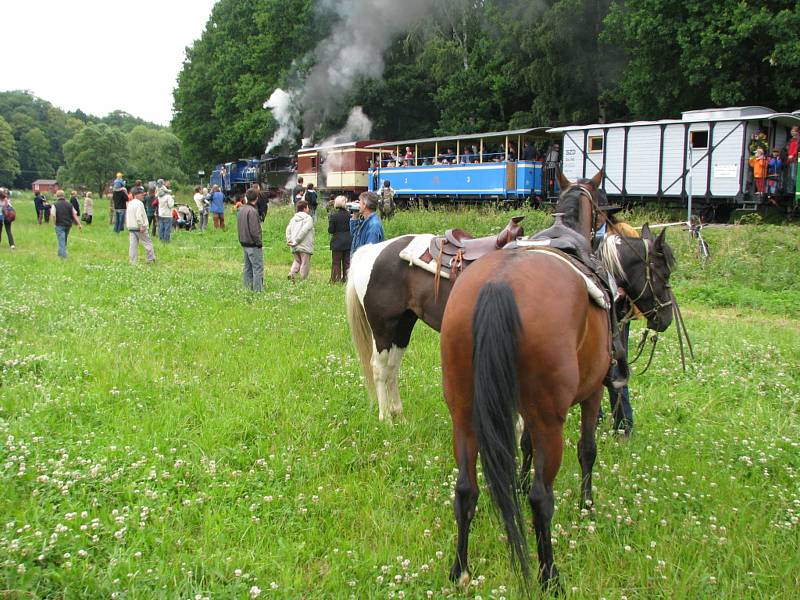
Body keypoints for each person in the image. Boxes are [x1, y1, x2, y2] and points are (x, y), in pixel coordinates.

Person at [594, 206, 639, 435]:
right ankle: (596, 417)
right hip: (594, 309)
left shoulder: (623, 232)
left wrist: (623, 290)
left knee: (615, 365)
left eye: (600, 212)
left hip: (618, 311)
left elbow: (637, 269)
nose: (596, 216)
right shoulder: (583, 234)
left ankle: (623, 423)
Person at [238, 188, 264, 292]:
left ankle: (247, 288)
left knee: (247, 268)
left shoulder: (241, 209)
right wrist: (259, 243)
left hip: (244, 242)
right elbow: (255, 230)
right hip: (252, 244)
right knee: (257, 268)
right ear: (256, 198)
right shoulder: (252, 211)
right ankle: (258, 291)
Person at [285, 199, 314, 281]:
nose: (308, 209)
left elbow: (288, 230)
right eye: (307, 207)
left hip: (293, 245)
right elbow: (304, 230)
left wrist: (290, 240)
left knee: (297, 261)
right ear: (304, 208)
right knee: (305, 263)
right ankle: (303, 280)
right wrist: (297, 241)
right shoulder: (308, 218)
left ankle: (292, 273)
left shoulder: (293, 218)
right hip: (304, 244)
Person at [125, 189, 156, 264]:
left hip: (131, 227)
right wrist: (141, 225)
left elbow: (127, 215)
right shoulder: (139, 203)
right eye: (142, 195)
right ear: (136, 195)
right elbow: (139, 216)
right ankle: (150, 259)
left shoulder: (130, 203)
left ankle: (132, 261)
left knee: (133, 245)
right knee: (147, 243)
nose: (143, 196)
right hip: (139, 227)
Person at [349, 191, 384, 256]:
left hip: (364, 263)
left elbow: (369, 252)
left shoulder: (373, 225)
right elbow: (353, 236)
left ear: (364, 205)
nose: (358, 204)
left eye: (360, 202)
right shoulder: (364, 221)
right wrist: (355, 216)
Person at [51, 190, 82, 258]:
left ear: (57, 196)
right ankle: (60, 254)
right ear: (63, 195)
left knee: (61, 240)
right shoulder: (69, 204)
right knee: (63, 240)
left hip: (59, 224)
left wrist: (54, 223)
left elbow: (53, 215)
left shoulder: (55, 204)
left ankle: (63, 257)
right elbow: (74, 214)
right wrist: (79, 224)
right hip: (68, 225)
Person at [328, 195, 352, 283]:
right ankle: (347, 279)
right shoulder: (350, 216)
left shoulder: (333, 216)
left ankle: (335, 279)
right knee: (347, 262)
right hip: (348, 240)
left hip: (337, 241)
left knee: (336, 262)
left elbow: (330, 230)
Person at [785, 125, 799, 193]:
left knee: (794, 176)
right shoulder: (791, 139)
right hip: (790, 160)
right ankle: (791, 190)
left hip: (795, 159)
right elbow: (789, 149)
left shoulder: (798, 139)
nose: (792, 132)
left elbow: (796, 149)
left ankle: (796, 189)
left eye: (793, 131)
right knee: (790, 176)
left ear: (796, 132)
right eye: (791, 131)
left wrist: (792, 155)